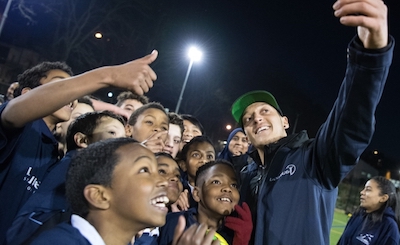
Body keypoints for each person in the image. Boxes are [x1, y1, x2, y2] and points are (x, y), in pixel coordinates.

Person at [230, 0, 394, 243]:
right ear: (246, 132)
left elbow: (349, 122)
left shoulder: (314, 158)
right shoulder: (245, 176)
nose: (257, 119)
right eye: (248, 119)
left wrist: (370, 58)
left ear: (285, 122)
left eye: (265, 111)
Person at [0, 50, 158, 243]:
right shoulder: (22, 127)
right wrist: (108, 75)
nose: (72, 95)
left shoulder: (58, 153)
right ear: (27, 93)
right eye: (61, 84)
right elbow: (13, 110)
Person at [7, 110, 126, 244]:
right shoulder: (78, 164)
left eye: (124, 138)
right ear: (82, 140)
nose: (121, 143)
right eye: (112, 133)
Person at [159, 160, 252, 245]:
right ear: (196, 194)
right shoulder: (171, 223)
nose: (228, 188)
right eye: (216, 182)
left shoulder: (237, 232)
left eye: (233, 185)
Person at [134, 152, 184, 245]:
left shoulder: (167, 231)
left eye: (177, 175)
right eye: (162, 171)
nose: (174, 178)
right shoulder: (125, 228)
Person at [338, 176, 400, 245]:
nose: (362, 192)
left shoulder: (389, 226)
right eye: (364, 189)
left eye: (368, 190)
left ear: (383, 198)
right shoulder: (357, 215)